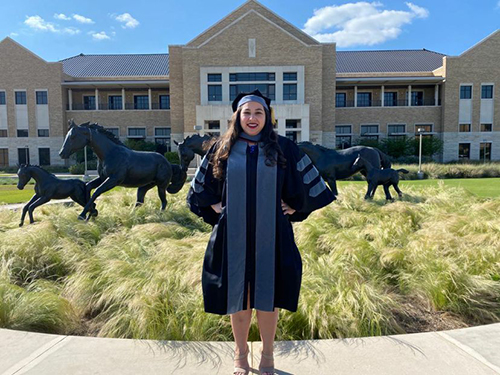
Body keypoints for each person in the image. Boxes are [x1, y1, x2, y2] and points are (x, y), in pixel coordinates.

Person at [187, 90, 335, 375]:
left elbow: (310, 186)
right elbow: (198, 189)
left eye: (258, 112)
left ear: (267, 117)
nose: (252, 118)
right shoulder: (221, 148)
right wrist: (215, 205)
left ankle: (268, 356)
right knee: (238, 298)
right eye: (246, 113)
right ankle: (240, 356)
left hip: (273, 236)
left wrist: (294, 207)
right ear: (237, 116)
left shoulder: (283, 148)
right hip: (233, 237)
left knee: (268, 299)